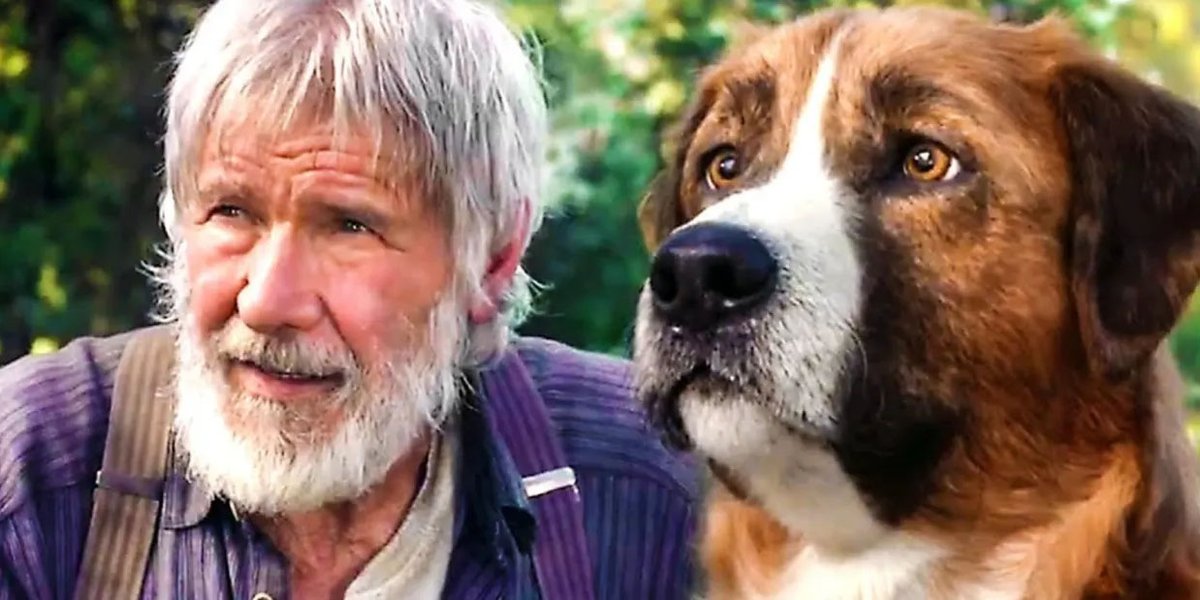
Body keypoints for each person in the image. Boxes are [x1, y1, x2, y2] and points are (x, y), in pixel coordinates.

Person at [0, 0, 698, 597]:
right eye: (232, 212)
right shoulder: (34, 480)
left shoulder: (653, 493)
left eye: (348, 226)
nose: (268, 301)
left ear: (491, 260)